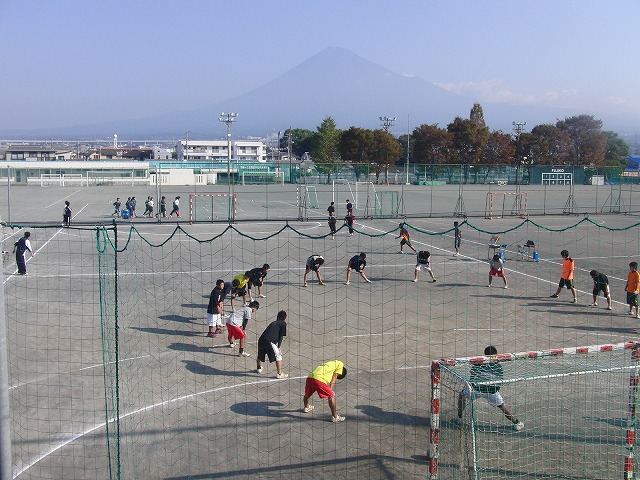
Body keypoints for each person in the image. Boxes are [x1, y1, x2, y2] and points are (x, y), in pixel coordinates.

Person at [458, 346, 524, 431]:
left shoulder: (479, 363)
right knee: (503, 407)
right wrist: (495, 390)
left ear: (485, 355)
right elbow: (499, 381)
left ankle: (459, 418)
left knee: (461, 396)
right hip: (492, 392)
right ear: (495, 355)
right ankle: (517, 423)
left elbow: (472, 376)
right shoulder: (498, 366)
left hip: (476, 390)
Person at [256, 310, 288, 378]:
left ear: (277, 316)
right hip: (269, 341)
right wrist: (279, 347)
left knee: (260, 354)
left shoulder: (273, 323)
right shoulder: (283, 323)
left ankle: (258, 368)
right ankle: (279, 374)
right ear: (284, 318)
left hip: (261, 340)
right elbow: (281, 336)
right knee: (278, 356)